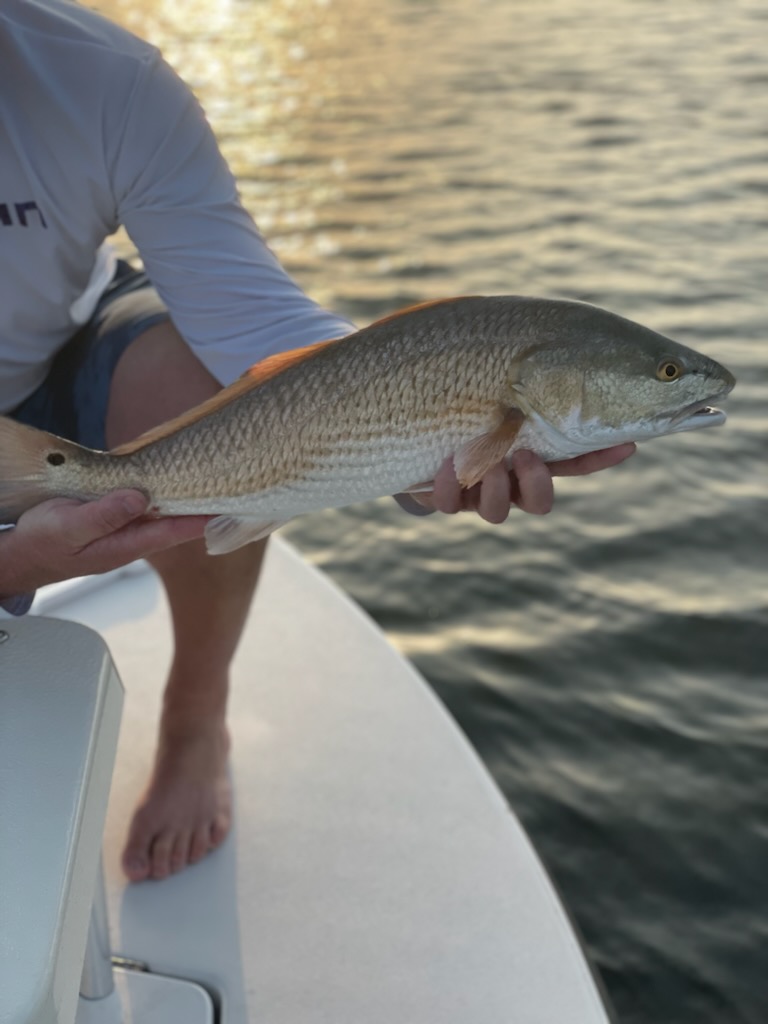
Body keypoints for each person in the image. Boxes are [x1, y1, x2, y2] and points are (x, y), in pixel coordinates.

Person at [0, 0, 635, 883]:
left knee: (205, 377)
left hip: (64, 342)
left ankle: (196, 706)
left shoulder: (105, 78)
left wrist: (427, 441)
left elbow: (253, 324)